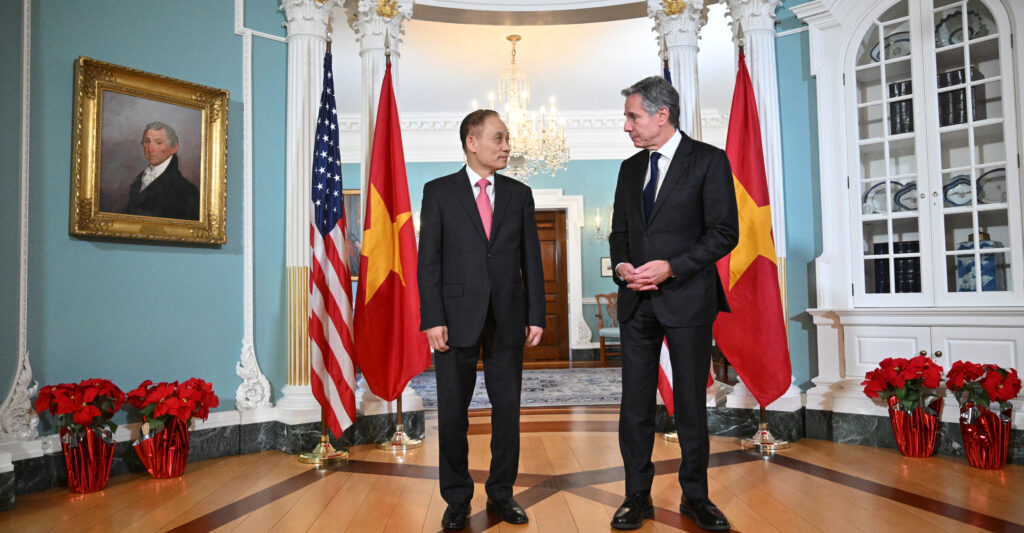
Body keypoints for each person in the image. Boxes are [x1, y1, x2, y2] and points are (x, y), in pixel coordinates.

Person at [609, 76, 739, 531]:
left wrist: (671, 267)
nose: (627, 126)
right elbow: (619, 233)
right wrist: (623, 267)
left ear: (661, 115)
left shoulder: (709, 161)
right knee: (635, 406)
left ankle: (696, 497)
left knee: (689, 403)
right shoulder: (629, 169)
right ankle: (636, 496)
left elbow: (725, 233)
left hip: (687, 300)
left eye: (633, 116)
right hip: (636, 305)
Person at [417, 109, 545, 530]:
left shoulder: (519, 194)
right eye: (499, 138)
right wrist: (433, 317)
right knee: (453, 412)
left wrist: (536, 314)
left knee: (507, 410)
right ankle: (456, 498)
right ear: (472, 142)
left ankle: (501, 493)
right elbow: (428, 262)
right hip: (453, 319)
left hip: (509, 317)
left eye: (507, 139)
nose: (507, 145)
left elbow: (532, 260)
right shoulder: (438, 192)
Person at [122, 121, 200, 220]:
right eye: (147, 141)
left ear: (174, 148)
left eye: (158, 143)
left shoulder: (187, 191)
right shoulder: (138, 181)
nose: (150, 149)